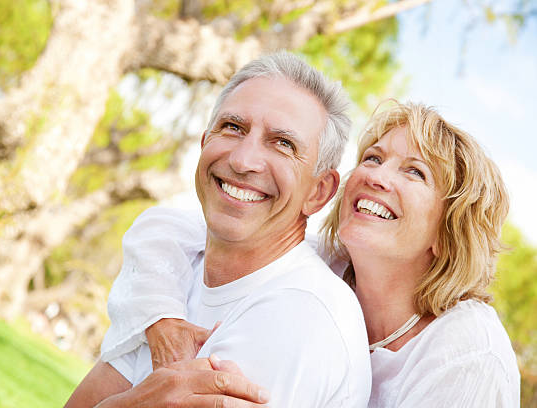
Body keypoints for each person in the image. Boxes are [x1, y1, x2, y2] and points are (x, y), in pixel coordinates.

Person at [101, 101, 521, 407]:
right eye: (373, 158)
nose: (375, 176)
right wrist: (162, 318)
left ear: (449, 233)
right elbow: (165, 228)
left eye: (414, 171)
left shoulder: (469, 354)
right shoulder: (324, 264)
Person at [65, 52, 372, 407]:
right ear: (204, 144)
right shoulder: (172, 288)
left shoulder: (299, 313)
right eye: (233, 128)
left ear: (318, 192)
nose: (242, 161)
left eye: (283, 144)